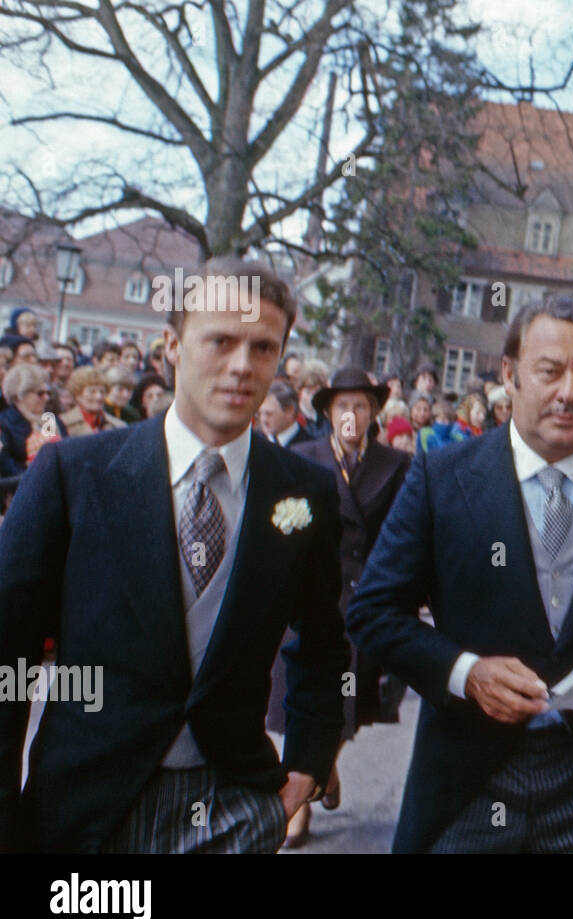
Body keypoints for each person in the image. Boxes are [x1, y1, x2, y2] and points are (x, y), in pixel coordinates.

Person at [0, 257, 350, 853]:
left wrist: (310, 762)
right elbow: (8, 652)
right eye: (221, 340)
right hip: (88, 810)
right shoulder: (74, 474)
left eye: (263, 348)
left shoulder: (304, 490)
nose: (242, 366)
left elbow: (321, 642)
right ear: (172, 346)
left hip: (233, 808)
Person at [347, 295, 573, 853]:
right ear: (510, 374)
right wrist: (466, 673)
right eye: (550, 371)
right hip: (467, 781)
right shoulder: (441, 476)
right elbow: (374, 612)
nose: (568, 393)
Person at [267, 366, 412, 846]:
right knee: (299, 698)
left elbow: (403, 535)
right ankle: (304, 796)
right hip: (310, 597)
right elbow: (282, 528)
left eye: (362, 405)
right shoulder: (302, 457)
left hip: (367, 601)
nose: (352, 414)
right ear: (328, 412)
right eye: (343, 406)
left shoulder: (397, 464)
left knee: (349, 703)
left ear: (374, 413)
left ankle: (325, 765)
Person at [0, 363, 67, 476]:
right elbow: (5, 465)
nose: (47, 398)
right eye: (40, 393)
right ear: (19, 395)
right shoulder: (4, 423)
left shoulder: (51, 419)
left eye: (48, 393)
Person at [59, 366, 127, 437]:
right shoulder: (61, 424)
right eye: (92, 392)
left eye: (102, 392)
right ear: (77, 395)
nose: (99, 397)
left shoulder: (119, 426)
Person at [257, 380, 314, 448]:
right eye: (259, 414)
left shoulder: (310, 447)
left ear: (290, 411)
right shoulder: (254, 443)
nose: (263, 420)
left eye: (268, 414)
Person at [294, 359, 332, 440]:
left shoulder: (327, 416)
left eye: (317, 392)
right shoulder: (294, 417)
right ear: (300, 391)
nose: (312, 397)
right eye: (308, 392)